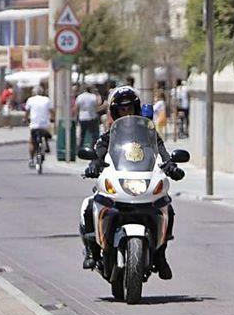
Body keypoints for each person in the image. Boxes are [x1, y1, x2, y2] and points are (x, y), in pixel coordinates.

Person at [79, 87, 185, 278]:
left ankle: (160, 255)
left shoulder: (149, 135)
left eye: (129, 108)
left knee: (167, 207)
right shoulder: (109, 136)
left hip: (143, 185)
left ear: (135, 108)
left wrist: (171, 166)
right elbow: (99, 152)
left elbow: (162, 152)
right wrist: (94, 163)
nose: (126, 112)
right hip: (119, 185)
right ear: (115, 112)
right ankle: (92, 252)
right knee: (89, 205)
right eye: (121, 109)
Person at [24, 85, 54, 167]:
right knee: (48, 132)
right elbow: (52, 111)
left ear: (33, 92)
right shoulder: (47, 100)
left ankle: (31, 159)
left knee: (31, 141)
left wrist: (25, 119)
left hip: (34, 125)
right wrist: (52, 118)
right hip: (45, 125)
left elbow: (26, 112)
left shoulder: (30, 100)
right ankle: (46, 143)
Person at [74, 84, 100, 149]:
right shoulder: (93, 97)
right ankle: (92, 148)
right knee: (94, 135)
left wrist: (77, 117)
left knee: (82, 135)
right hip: (92, 118)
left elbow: (76, 108)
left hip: (82, 118)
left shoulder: (80, 97)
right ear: (91, 89)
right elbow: (96, 107)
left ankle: (80, 148)